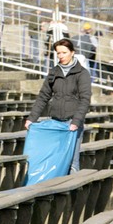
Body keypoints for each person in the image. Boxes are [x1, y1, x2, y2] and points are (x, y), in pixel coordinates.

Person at [25, 39, 92, 173]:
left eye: (64, 52)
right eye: (58, 53)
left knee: (72, 161)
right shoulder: (53, 72)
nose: (61, 56)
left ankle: (72, 191)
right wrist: (31, 118)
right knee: (55, 159)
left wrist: (76, 122)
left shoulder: (82, 73)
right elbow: (43, 96)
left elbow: (85, 99)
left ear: (72, 53)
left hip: (72, 123)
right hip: (55, 122)